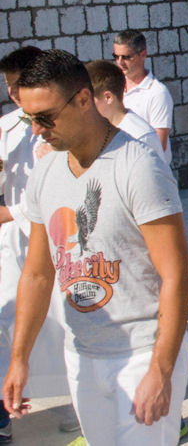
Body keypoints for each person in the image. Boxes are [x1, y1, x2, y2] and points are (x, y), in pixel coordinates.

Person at [4, 49, 188, 445]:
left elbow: (177, 275)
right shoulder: (46, 171)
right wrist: (18, 359)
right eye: (29, 118)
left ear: (83, 99)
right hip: (82, 354)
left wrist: (160, 369)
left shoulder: (138, 166)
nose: (37, 130)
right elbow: (37, 274)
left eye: (46, 118)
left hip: (142, 353)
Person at [0, 47, 75, 442]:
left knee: (65, 323)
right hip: (15, 240)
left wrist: (11, 212)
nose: (13, 94)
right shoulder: (7, 127)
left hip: (52, 234)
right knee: (11, 320)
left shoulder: (59, 126)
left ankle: (81, 403)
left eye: (18, 85)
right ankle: (8, 404)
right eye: (9, 87)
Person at [113, 31, 174, 164]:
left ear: (143, 55)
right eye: (116, 56)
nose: (120, 62)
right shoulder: (113, 89)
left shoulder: (158, 93)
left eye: (126, 57)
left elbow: (159, 145)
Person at [87, 60, 166, 162]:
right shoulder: (97, 130)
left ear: (108, 97)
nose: (85, 106)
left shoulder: (141, 137)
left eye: (88, 100)